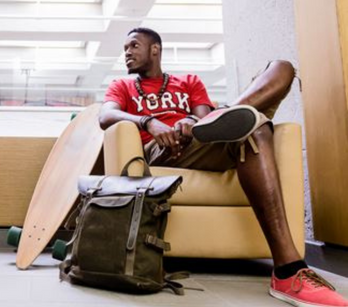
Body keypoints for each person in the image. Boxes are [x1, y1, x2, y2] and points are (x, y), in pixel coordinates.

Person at [99, 27, 348, 307]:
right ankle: (291, 271)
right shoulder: (122, 86)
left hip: (195, 141)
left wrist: (192, 123)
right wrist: (148, 122)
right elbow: (106, 114)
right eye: (125, 49)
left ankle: (287, 273)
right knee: (252, 121)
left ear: (155, 49)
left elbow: (206, 124)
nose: (127, 53)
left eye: (133, 46)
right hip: (160, 150)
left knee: (273, 88)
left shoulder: (189, 81)